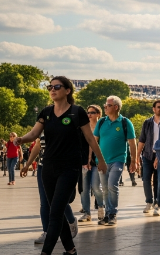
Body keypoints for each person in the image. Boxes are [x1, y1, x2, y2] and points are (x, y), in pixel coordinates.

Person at [15, 76, 108, 255]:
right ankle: (71, 251)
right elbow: (34, 134)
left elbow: (89, 138)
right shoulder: (46, 112)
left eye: (57, 86)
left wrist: (100, 160)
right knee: (55, 211)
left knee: (55, 213)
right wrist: (21, 139)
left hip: (69, 168)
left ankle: (46, 252)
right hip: (48, 168)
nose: (52, 89)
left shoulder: (77, 112)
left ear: (67, 90)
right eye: (50, 87)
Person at [21, 132, 79, 245]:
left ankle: (71, 221)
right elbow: (38, 145)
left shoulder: (66, 121)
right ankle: (47, 232)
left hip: (62, 167)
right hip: (44, 167)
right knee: (45, 201)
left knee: (58, 199)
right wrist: (27, 165)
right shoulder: (43, 123)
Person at [93, 95, 137, 226]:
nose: (105, 107)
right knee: (105, 188)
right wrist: (92, 157)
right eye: (105, 105)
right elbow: (94, 141)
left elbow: (132, 143)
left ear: (116, 107)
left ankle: (113, 214)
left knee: (112, 185)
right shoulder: (101, 122)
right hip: (102, 161)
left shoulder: (125, 122)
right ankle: (107, 214)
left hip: (118, 160)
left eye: (108, 105)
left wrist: (134, 161)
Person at [77, 104, 104, 223]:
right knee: (84, 189)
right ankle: (87, 213)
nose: (89, 115)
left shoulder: (102, 128)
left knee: (96, 186)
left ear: (98, 114)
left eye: (92, 112)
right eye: (88, 113)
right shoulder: (83, 127)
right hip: (83, 162)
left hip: (97, 161)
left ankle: (101, 207)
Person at [137, 100, 160, 215]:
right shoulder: (147, 122)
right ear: (153, 109)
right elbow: (142, 140)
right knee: (146, 179)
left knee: (158, 180)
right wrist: (137, 156)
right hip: (148, 155)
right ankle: (149, 202)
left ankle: (158, 204)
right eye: (158, 107)